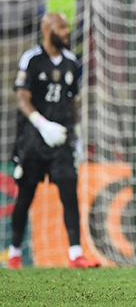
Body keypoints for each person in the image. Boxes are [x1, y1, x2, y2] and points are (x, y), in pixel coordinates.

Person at [7, 13, 100, 269]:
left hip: (62, 140)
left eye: (67, 27)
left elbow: (72, 103)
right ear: (46, 29)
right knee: (25, 197)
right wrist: (42, 124)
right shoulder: (32, 59)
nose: (67, 31)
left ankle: (75, 254)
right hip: (35, 139)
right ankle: (14, 253)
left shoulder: (71, 61)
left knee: (69, 194)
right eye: (61, 27)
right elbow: (23, 99)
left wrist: (77, 137)